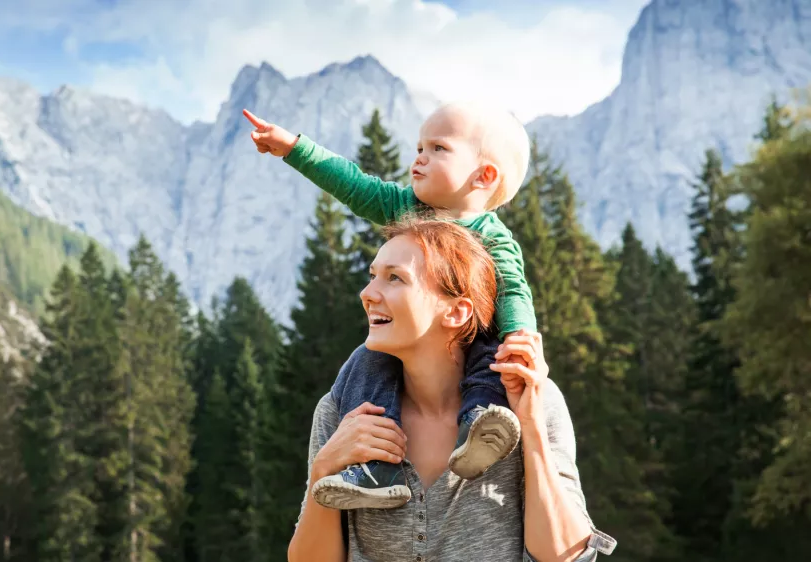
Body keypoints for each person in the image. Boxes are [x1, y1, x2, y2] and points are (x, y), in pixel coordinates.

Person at [244, 101, 535, 507]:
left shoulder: (493, 238)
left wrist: (521, 337)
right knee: (366, 364)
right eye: (419, 147)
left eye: (438, 148)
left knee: (492, 358)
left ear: (484, 176)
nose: (419, 157)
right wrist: (294, 147)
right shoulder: (405, 207)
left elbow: (514, 293)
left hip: (470, 337)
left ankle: (479, 429)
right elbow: (352, 184)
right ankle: (376, 466)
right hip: (406, 341)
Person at [287, 217, 615, 561]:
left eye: (395, 277)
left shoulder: (533, 401)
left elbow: (567, 556)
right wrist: (323, 470)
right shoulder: (342, 411)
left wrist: (530, 428)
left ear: (457, 311)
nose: (367, 294)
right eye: (372, 276)